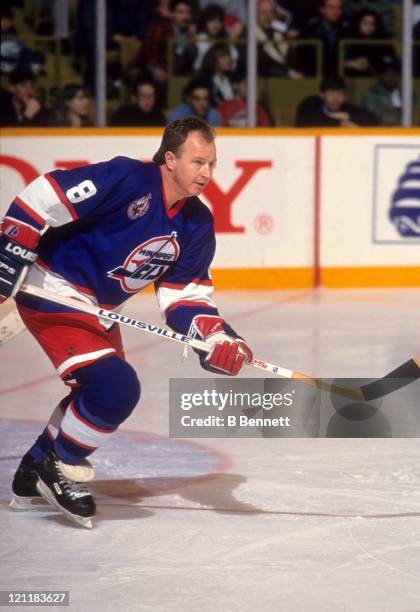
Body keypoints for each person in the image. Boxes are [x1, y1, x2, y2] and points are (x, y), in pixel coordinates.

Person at [0, 117, 253, 528]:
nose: (207, 173)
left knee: (98, 393)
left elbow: (183, 297)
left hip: (95, 307)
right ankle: (58, 465)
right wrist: (12, 241)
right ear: (170, 159)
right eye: (198, 162)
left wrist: (214, 335)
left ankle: (31, 475)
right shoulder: (128, 178)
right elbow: (47, 192)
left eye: (212, 164)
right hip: (52, 289)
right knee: (115, 388)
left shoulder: (198, 223)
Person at [295, 74, 377, 126]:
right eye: (331, 94)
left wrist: (349, 117)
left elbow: (371, 120)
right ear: (322, 95)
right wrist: (339, 122)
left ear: (345, 96)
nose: (336, 98)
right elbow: (309, 119)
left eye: (340, 94)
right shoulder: (311, 104)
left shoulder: (347, 108)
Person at [343, 9, 396, 76]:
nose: (369, 27)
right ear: (358, 23)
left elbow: (390, 62)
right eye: (365, 23)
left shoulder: (383, 42)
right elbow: (335, 62)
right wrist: (350, 64)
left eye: (372, 24)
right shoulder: (348, 40)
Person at [362, 56, 403, 126]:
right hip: (381, 134)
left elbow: (415, 109)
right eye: (386, 73)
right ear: (380, 75)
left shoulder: (405, 92)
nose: (391, 76)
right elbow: (378, 116)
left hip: (408, 133)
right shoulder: (371, 94)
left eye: (393, 72)